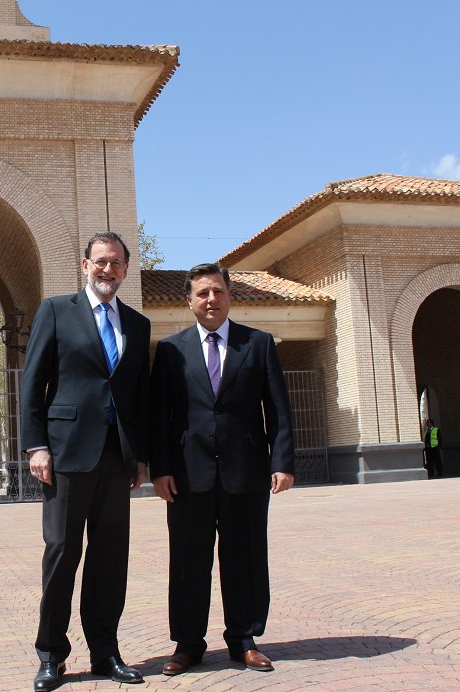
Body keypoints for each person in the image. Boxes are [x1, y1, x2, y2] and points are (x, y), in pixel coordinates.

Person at [149, 263, 295, 676]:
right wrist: (160, 468)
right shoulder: (172, 350)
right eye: (202, 294)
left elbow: (278, 410)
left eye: (217, 291)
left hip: (245, 471)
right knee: (188, 560)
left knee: (245, 557)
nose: (210, 300)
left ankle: (244, 640)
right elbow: (160, 416)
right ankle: (188, 643)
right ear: (189, 301)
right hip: (187, 475)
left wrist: (282, 461)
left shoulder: (260, 344)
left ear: (230, 295)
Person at [20, 231, 151, 691]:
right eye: (100, 261)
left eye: (116, 263)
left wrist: (141, 456)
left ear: (125, 270)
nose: (107, 270)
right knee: (61, 553)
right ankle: (51, 654)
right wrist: (36, 445)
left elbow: (138, 396)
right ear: (85, 264)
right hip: (67, 454)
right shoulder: (57, 311)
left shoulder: (137, 324)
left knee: (110, 559)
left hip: (117, 458)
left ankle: (105, 652)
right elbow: (32, 383)